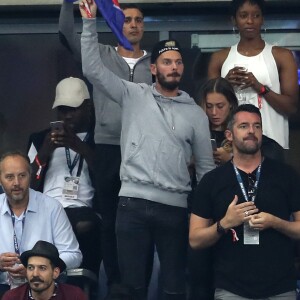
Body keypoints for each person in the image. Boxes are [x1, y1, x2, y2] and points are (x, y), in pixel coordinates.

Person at [79, 1, 215, 299]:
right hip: (132, 205)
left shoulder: (195, 113)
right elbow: (92, 69)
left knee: (174, 289)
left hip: (176, 210)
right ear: (153, 68)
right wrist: (90, 23)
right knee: (132, 290)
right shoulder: (133, 95)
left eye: (178, 62)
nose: (174, 67)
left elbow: (206, 169)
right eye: (167, 62)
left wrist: (206, 216)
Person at [59, 0, 153, 285]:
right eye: (127, 19)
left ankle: (140, 286)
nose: (133, 24)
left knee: (143, 221)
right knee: (110, 220)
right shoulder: (99, 54)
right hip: (109, 148)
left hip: (144, 149)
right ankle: (115, 284)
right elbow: (65, 33)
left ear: (144, 26)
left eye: (138, 20)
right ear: (116, 24)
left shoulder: (156, 63)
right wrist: (67, 4)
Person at [189, 104, 300, 299]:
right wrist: (225, 223)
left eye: (257, 126)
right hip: (231, 288)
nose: (251, 131)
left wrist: (276, 223)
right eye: (244, 126)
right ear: (229, 135)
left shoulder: (286, 175)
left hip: (281, 287)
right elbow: (195, 240)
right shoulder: (212, 181)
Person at [27, 77, 101, 277]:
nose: (66, 116)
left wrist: (79, 146)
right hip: (47, 207)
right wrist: (44, 152)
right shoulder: (40, 138)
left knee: (84, 225)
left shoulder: (99, 139)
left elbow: (106, 178)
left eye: (72, 109)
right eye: (62, 110)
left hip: (83, 209)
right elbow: (28, 183)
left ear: (88, 107)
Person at [207, 0, 299, 161]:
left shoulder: (281, 56)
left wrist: (259, 87)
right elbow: (209, 108)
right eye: (243, 16)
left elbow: (291, 108)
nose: (250, 21)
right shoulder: (219, 58)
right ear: (234, 20)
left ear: (262, 19)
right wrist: (225, 85)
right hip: (230, 147)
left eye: (256, 16)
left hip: (271, 144)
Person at [0, 151, 82, 297]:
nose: (16, 183)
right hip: (3, 286)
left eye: (22, 175)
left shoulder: (51, 207)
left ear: (30, 177)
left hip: (44, 289)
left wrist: (39, 269)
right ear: (0, 180)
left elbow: (73, 255)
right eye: (9, 177)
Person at [2, 240, 87, 300]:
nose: (35, 274)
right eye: (31, 268)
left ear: (55, 273)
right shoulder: (12, 297)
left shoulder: (74, 296)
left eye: (42, 268)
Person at [198, 77, 238, 166]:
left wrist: (230, 159)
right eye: (209, 106)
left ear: (231, 103)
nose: (214, 112)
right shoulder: (197, 131)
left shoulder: (239, 132)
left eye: (220, 106)